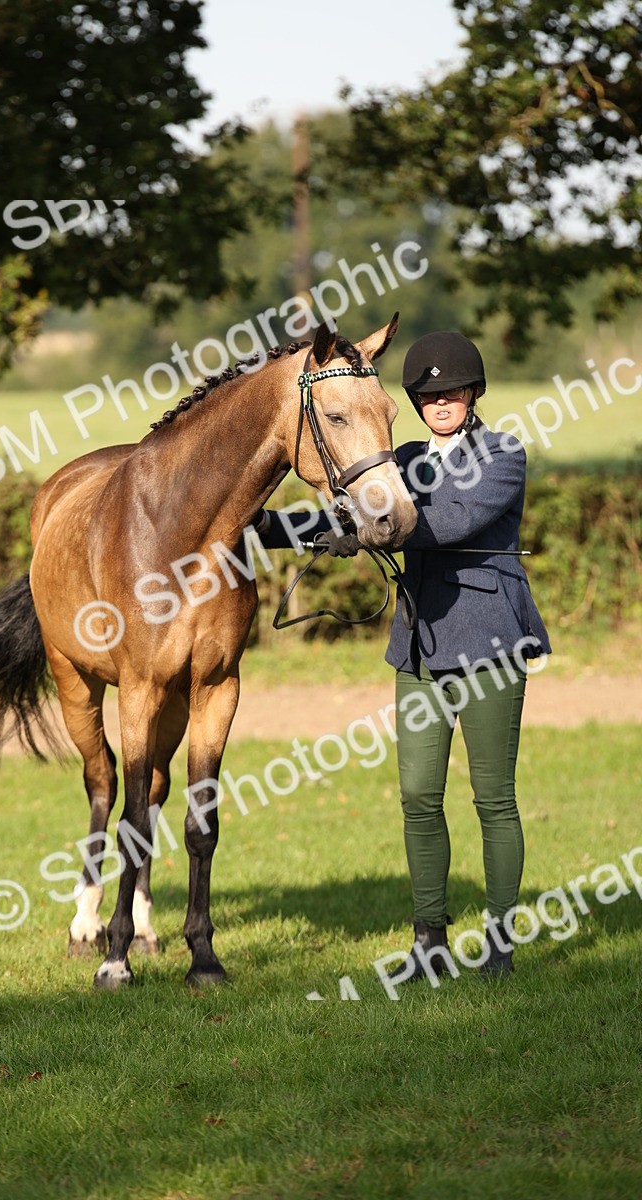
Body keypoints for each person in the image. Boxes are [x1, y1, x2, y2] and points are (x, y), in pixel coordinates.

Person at [257, 330, 551, 981]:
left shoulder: (502, 454)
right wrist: (257, 526)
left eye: (452, 391)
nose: (441, 400)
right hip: (419, 650)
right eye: (429, 394)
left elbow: (445, 523)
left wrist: (360, 531)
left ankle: (500, 942)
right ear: (416, 401)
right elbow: (352, 507)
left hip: (488, 645)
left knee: (492, 798)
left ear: (472, 394)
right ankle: (430, 942)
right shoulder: (406, 458)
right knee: (418, 796)